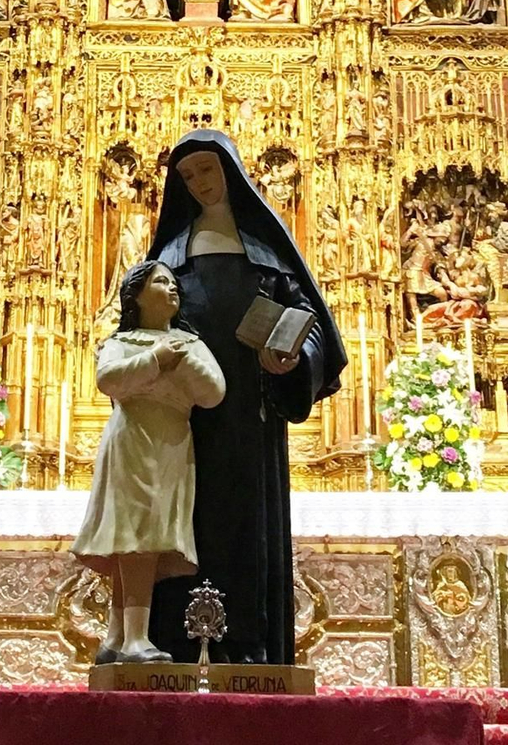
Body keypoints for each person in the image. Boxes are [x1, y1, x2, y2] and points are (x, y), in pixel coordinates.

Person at [146, 130, 346, 665]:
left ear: (230, 172)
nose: (199, 183)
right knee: (186, 530)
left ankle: (250, 650)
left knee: (246, 533)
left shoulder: (266, 252)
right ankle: (178, 649)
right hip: (186, 423)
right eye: (188, 176)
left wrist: (291, 359)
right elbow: (139, 323)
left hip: (250, 423)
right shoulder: (170, 255)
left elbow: (309, 323)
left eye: (207, 170)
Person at [73, 261, 225, 664]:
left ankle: (117, 637)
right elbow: (109, 380)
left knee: (146, 534)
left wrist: (181, 361)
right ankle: (135, 639)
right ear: (137, 295)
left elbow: (213, 393)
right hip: (133, 440)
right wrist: (155, 359)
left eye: (173, 283)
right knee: (135, 534)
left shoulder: (189, 343)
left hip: (170, 443)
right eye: (160, 282)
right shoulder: (123, 340)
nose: (172, 289)